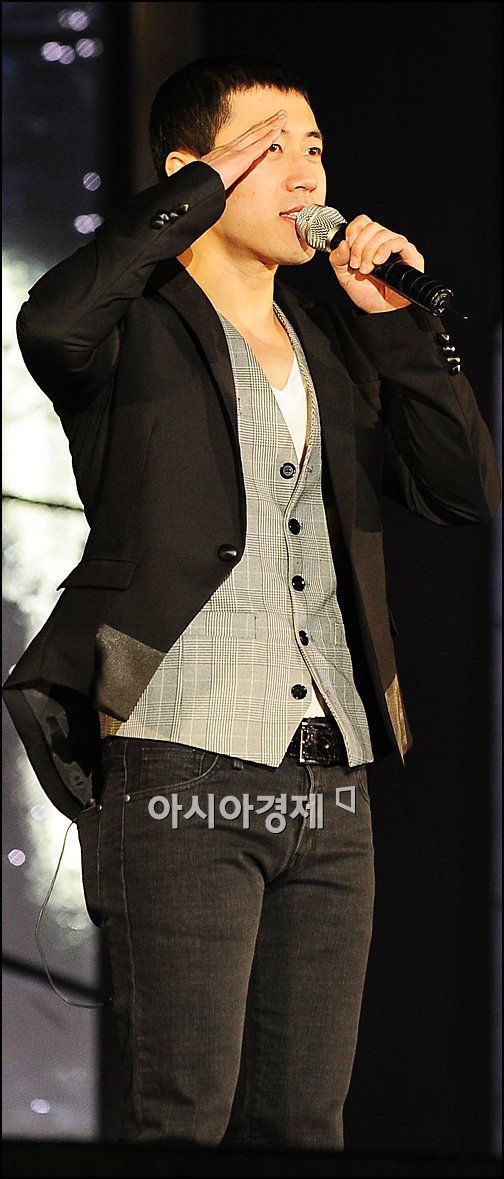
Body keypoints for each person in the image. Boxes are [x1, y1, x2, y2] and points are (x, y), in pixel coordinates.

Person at [3, 53, 501, 1151]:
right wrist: (190, 199)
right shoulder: (131, 329)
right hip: (180, 759)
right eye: (271, 146)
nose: (307, 171)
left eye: (315, 147)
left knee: (305, 1124)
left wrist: (394, 324)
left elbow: (465, 492)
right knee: (183, 1116)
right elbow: (51, 323)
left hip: (330, 777)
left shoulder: (335, 342)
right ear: (193, 171)